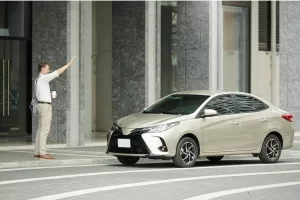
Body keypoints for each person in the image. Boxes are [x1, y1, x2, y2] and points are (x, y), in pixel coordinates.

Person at [34, 56, 75, 160]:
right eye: (47, 68)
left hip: (40, 105)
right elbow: (57, 72)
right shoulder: (43, 78)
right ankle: (43, 152)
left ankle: (37, 152)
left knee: (40, 130)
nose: (49, 70)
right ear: (42, 69)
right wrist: (69, 64)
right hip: (45, 106)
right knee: (45, 130)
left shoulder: (38, 80)